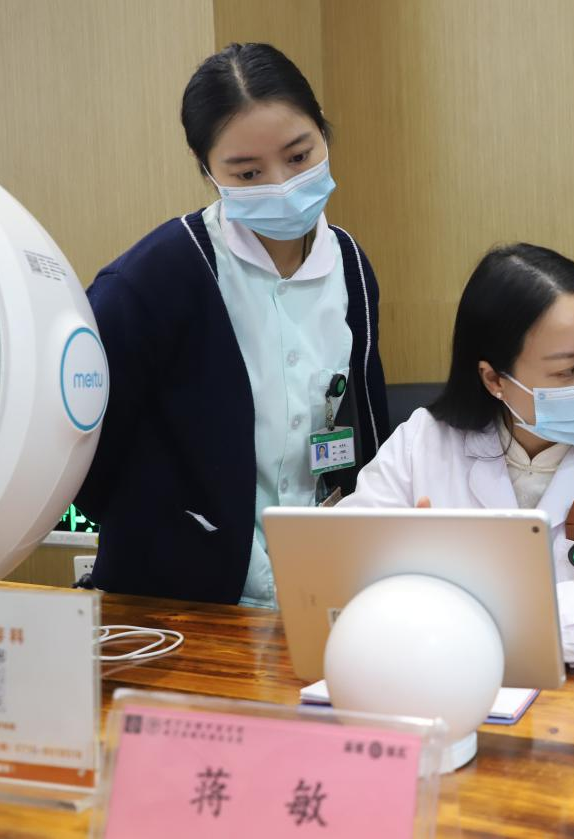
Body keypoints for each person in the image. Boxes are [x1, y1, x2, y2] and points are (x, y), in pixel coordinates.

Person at [77, 43, 389, 605]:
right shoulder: (154, 279)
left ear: (323, 131)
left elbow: (365, 425)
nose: (282, 184)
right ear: (207, 170)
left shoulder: (349, 266)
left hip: (319, 584)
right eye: (248, 172)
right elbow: (87, 455)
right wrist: (171, 526)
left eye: (299, 156)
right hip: (181, 601)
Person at [338, 243, 574, 665]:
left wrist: (479, 614)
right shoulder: (425, 441)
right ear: (494, 379)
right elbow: (341, 567)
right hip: (448, 679)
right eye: (568, 370)